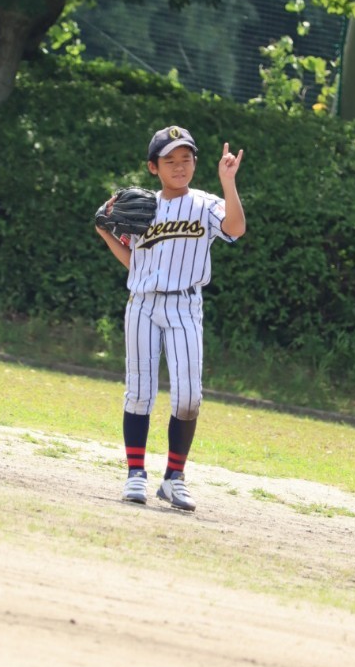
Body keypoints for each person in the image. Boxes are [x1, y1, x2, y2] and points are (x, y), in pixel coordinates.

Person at [96, 125, 245, 512]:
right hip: (143, 303)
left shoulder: (207, 204)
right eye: (170, 160)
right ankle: (135, 474)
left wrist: (228, 183)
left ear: (196, 162)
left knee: (189, 397)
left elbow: (235, 228)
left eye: (186, 159)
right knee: (140, 392)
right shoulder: (141, 207)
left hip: (185, 306)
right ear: (153, 167)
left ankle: (174, 478)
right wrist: (105, 232)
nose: (179, 166)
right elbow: (136, 264)